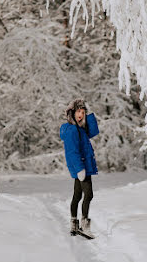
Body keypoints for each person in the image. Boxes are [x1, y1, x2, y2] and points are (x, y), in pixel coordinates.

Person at [59, 98, 99, 237]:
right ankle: (84, 226)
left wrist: (90, 114)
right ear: (72, 113)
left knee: (77, 196)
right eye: (78, 112)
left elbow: (93, 132)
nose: (80, 114)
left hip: (83, 166)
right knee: (88, 195)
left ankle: (74, 225)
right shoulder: (72, 130)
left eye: (83, 112)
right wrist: (79, 169)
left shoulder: (80, 128)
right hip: (82, 167)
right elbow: (72, 152)